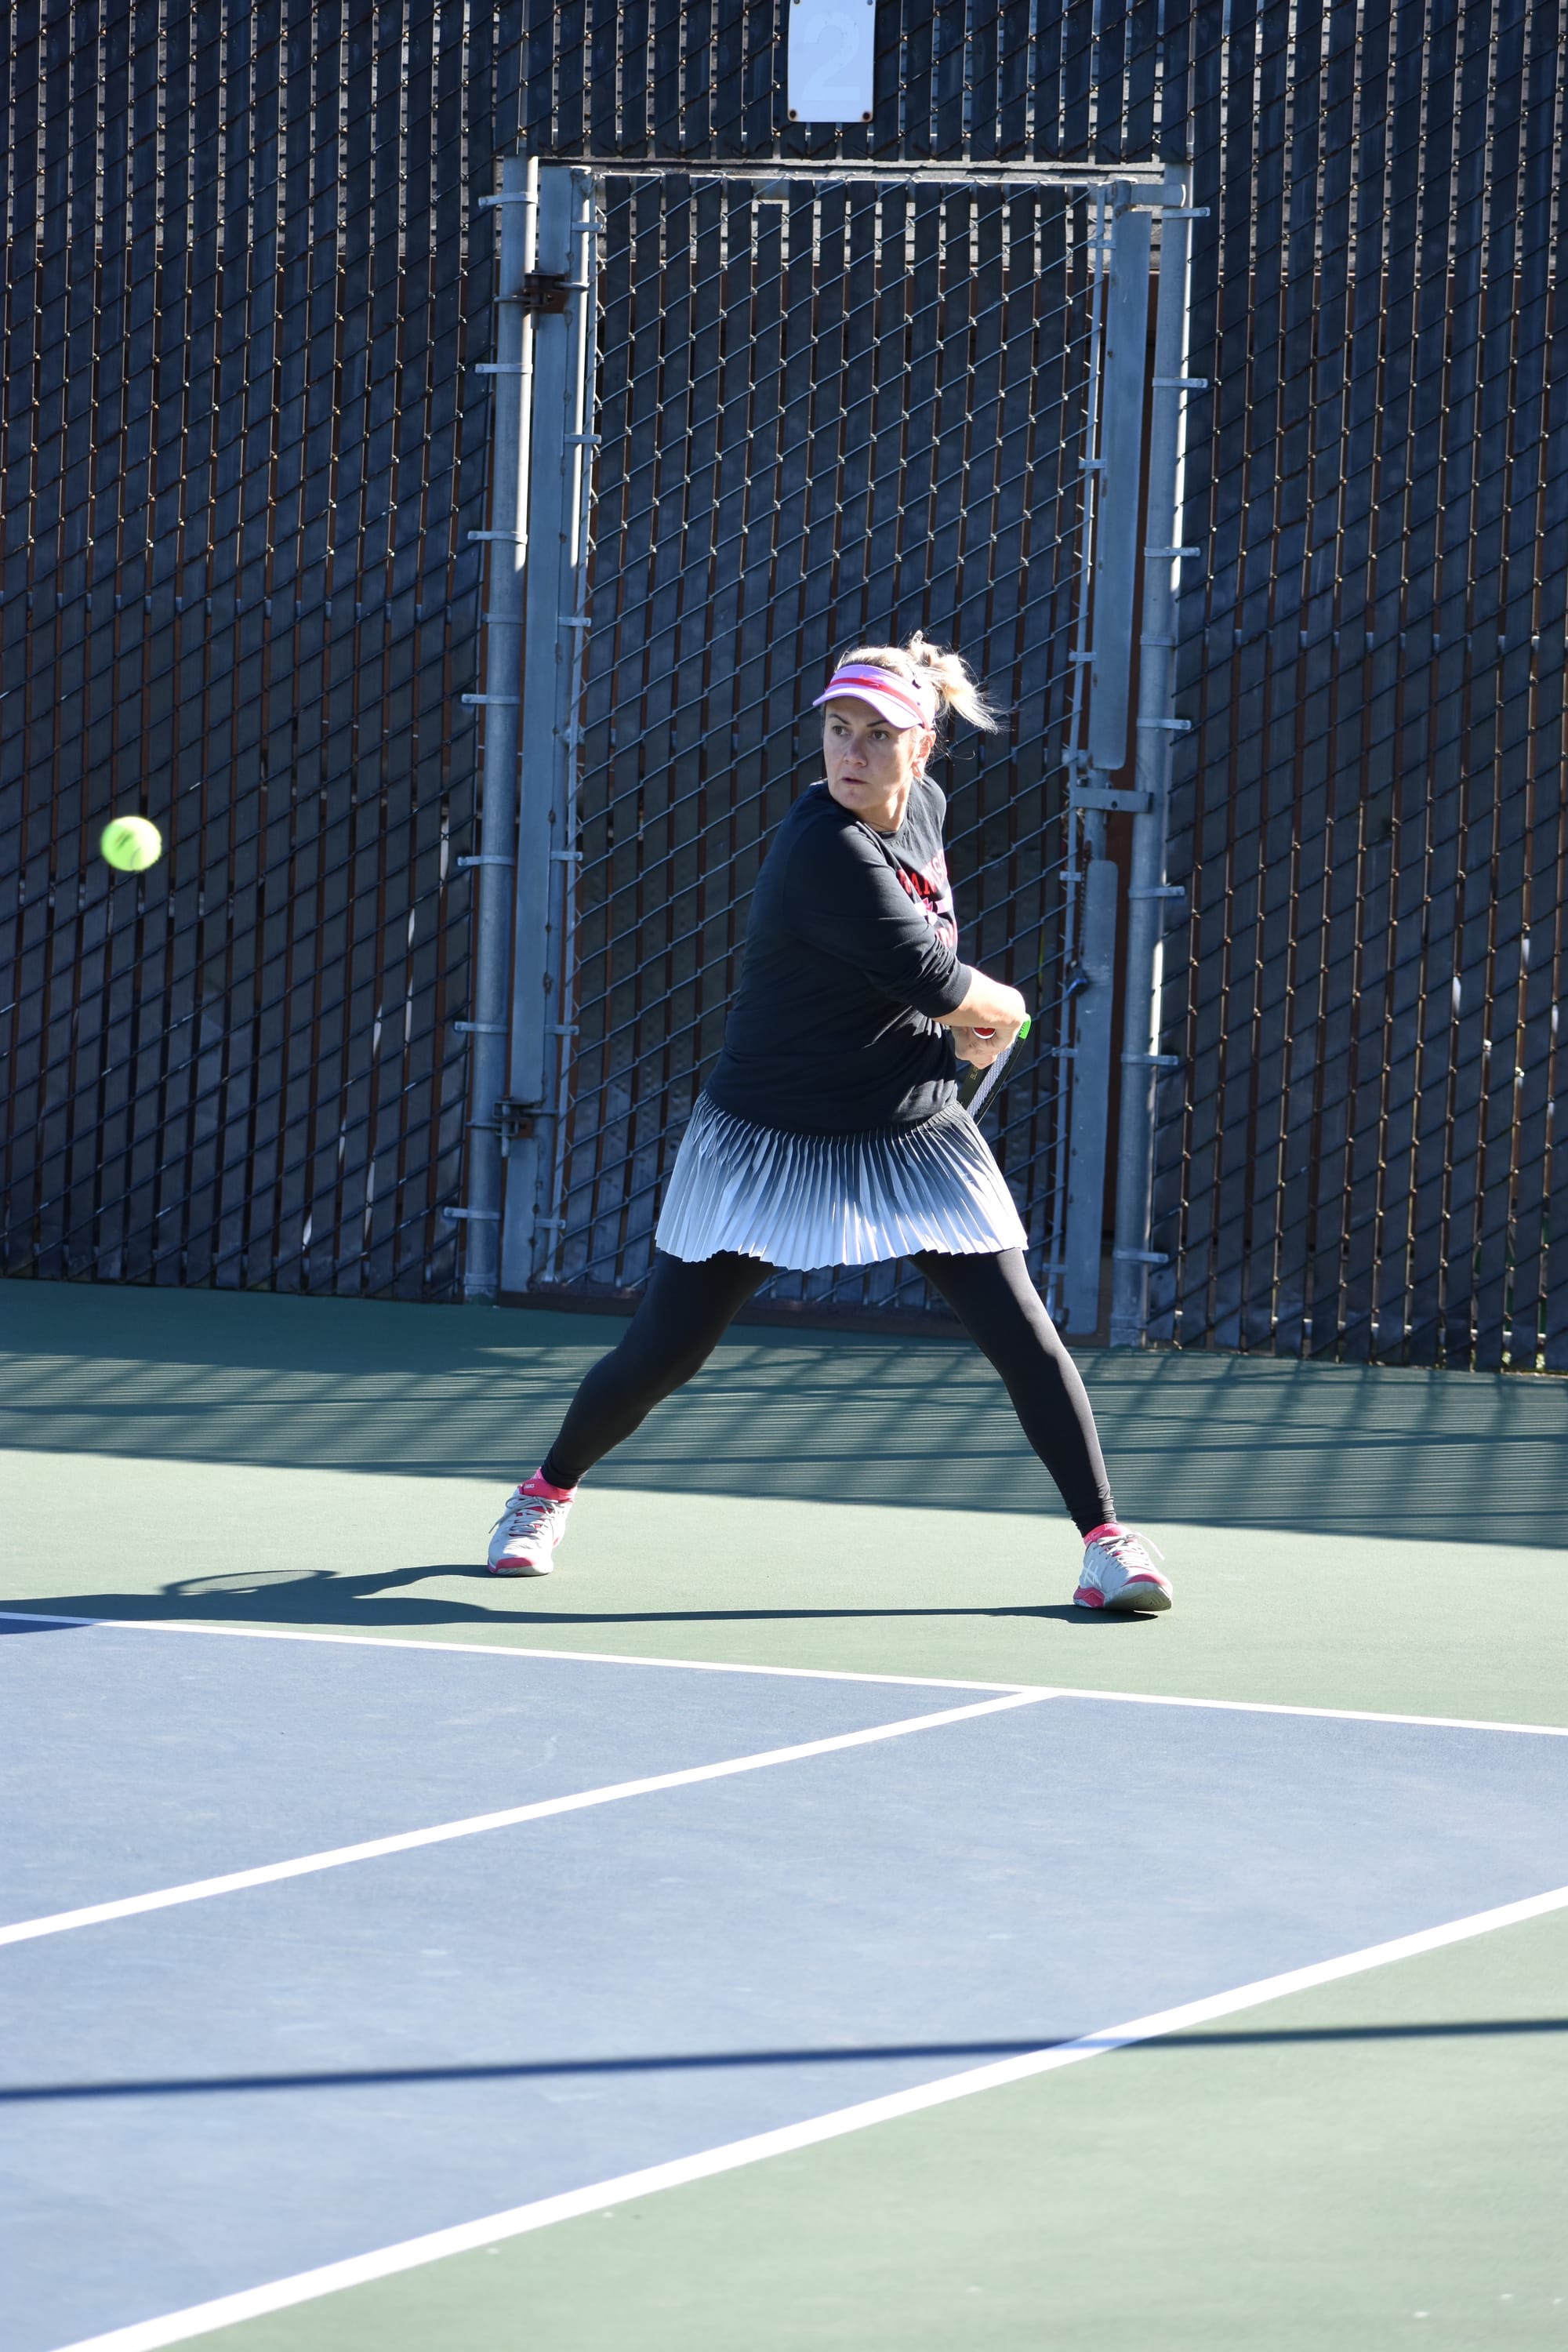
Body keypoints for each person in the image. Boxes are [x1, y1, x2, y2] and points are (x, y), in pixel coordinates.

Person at [486, 636, 1171, 1614]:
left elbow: (913, 981)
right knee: (665, 1352)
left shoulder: (922, 813)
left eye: (877, 736)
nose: (850, 752)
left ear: (919, 749)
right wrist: (1001, 1010)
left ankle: (1107, 1544)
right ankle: (542, 1496)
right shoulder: (826, 849)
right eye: (838, 730)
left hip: (907, 1126)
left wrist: (951, 1036)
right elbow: (934, 979)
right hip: (771, 1135)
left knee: (1023, 1334)